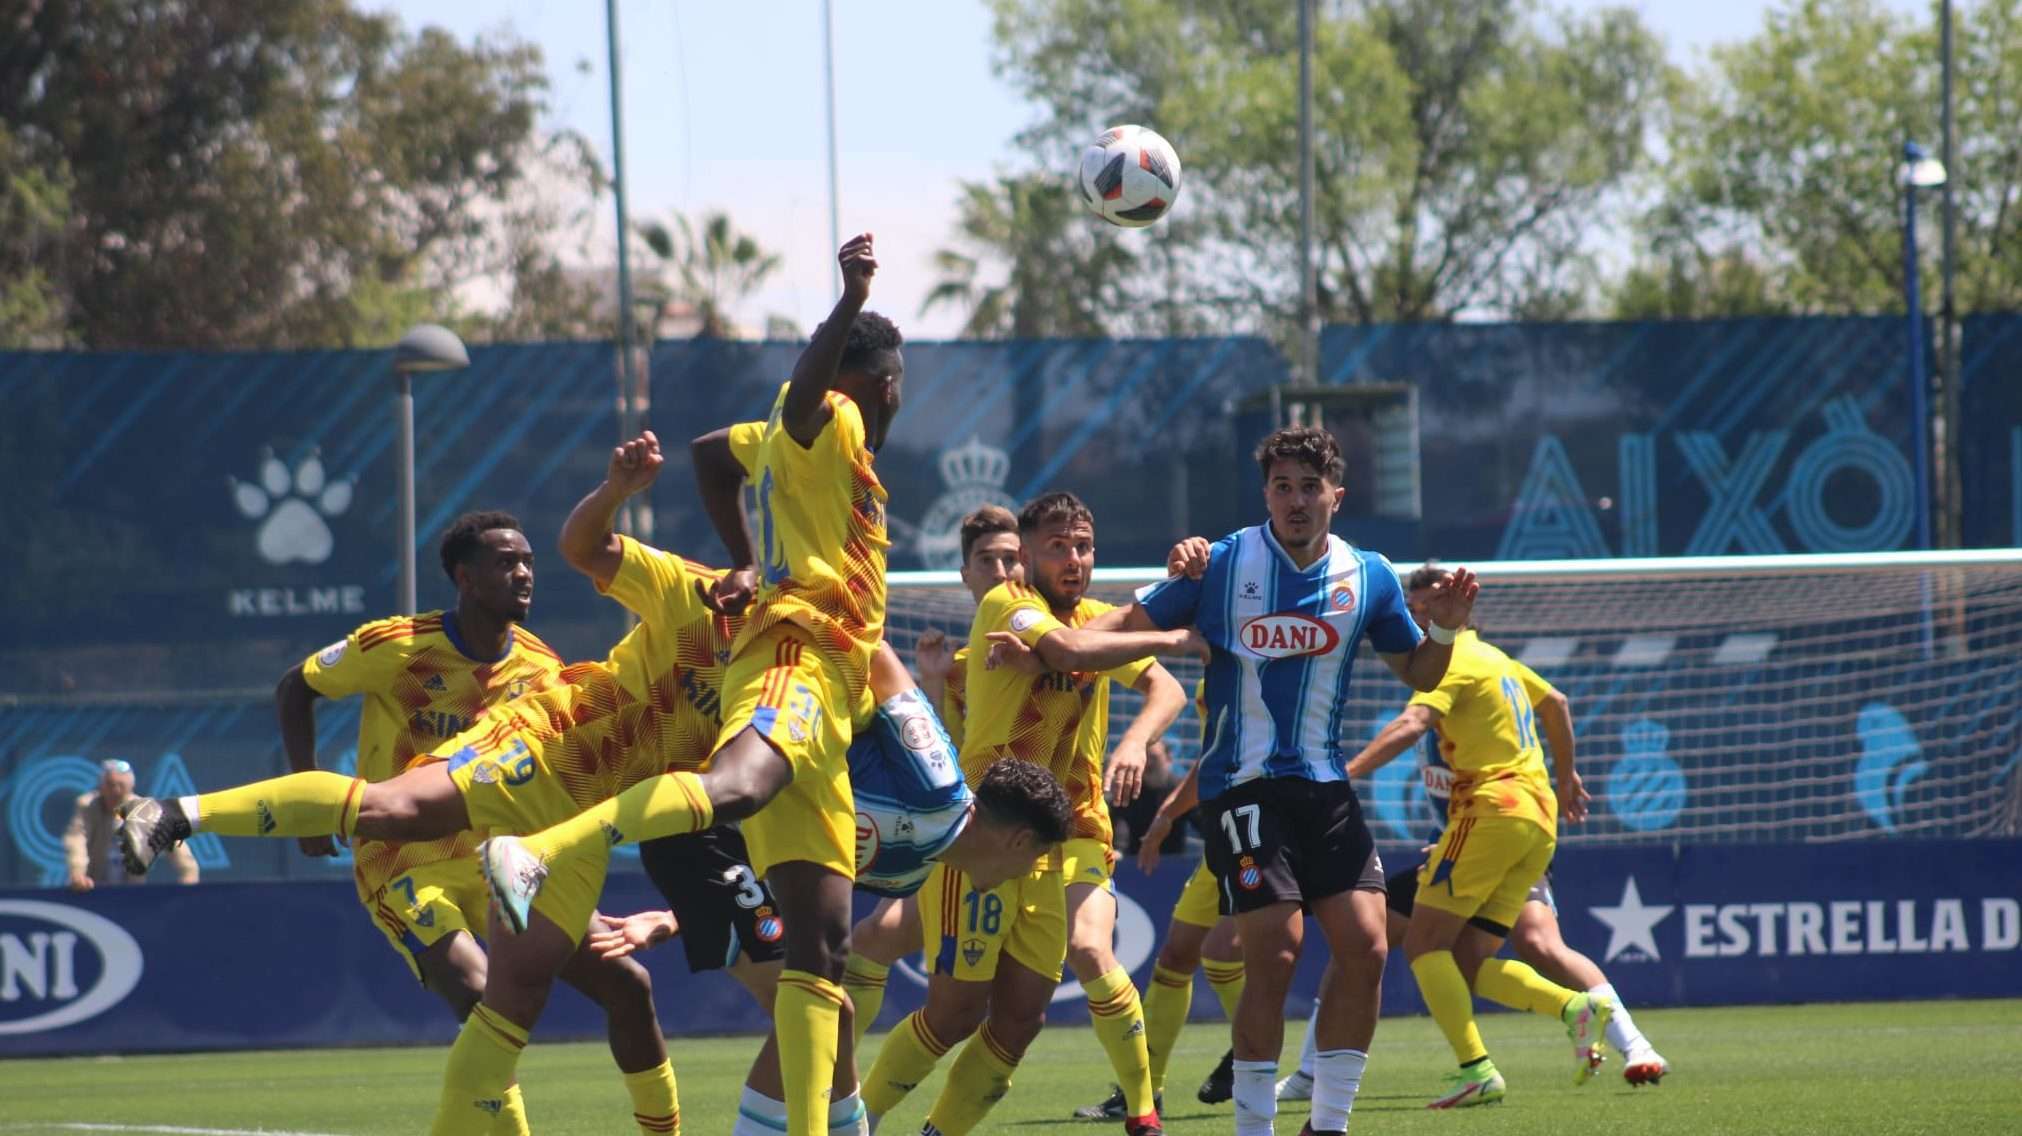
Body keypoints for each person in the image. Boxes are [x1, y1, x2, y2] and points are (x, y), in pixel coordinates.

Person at [481, 234, 902, 1136]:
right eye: (892, 376)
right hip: (798, 655)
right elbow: (798, 400)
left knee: (824, 952)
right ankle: (540, 850)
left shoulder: (827, 459)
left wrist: (747, 557)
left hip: (825, 703)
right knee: (735, 786)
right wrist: (848, 302)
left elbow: (715, 454)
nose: (897, 392)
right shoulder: (837, 415)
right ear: (870, 381)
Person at [116, 510, 673, 1136]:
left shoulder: (544, 667)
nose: (523, 573)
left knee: (628, 984)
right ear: (464, 579)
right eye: (505, 563)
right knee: (485, 996)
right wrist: (308, 806)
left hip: (498, 859)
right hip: (402, 857)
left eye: (528, 562)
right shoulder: (400, 645)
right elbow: (295, 688)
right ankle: (176, 812)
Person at [1035, 426, 1480, 1136]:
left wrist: (1449, 632)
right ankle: (1253, 1126)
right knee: (1274, 948)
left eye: (1310, 487)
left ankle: (1327, 1124)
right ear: (1265, 493)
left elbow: (1419, 672)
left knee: (1366, 947)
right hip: (1242, 789)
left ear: (1338, 494)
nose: (1296, 500)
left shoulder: (1369, 576)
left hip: (1326, 789)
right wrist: (1050, 644)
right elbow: (1120, 627)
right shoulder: (1219, 564)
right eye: (1282, 486)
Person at [590, 641, 1076, 1136]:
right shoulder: (938, 783)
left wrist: (678, 917)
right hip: (708, 813)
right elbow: (879, 655)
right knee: (817, 1011)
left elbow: (796, 878)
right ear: (1018, 839)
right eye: (1037, 856)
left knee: (828, 1013)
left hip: (723, 845)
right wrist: (805, 633)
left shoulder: (915, 869)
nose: (1029, 871)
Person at [859, 492, 1191, 1136]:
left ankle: (941, 1132)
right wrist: (1171, 631)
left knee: (1020, 1019)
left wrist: (1132, 739)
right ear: (1029, 559)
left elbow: (1162, 687)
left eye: (1084, 547)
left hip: (1059, 836)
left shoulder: (1094, 618)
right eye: (1057, 548)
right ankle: (853, 1120)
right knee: (952, 1013)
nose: (1074, 559)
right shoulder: (1007, 605)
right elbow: (1068, 650)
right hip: (983, 835)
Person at [1277, 563, 1663, 1103]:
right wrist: (1568, 776)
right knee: (1454, 956)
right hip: (1534, 819)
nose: (1419, 621)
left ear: (1453, 610)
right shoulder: (1496, 660)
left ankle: (1476, 1069)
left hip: (1490, 814)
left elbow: (1411, 725)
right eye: (1411, 613)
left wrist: (1344, 774)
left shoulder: (1452, 661)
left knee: (1421, 944)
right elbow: (1556, 703)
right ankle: (1577, 1007)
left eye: (1428, 609)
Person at [840, 504, 1024, 1043]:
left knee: (983, 1010)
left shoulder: (1058, 633)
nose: (1001, 571)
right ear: (965, 573)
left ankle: (1140, 1103)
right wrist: (937, 685)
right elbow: (948, 750)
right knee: (878, 941)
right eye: (986, 560)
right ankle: (844, 1099)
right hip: (959, 826)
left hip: (1023, 832)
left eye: (1011, 559)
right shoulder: (965, 662)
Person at [65, 760, 197, 889]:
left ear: (130, 787)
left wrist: (188, 872)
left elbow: (172, 839)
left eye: (121, 785)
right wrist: (78, 873)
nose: (115, 791)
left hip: (131, 890)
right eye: (110, 785)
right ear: (101, 787)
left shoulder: (145, 810)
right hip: (93, 886)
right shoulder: (87, 805)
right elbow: (77, 839)